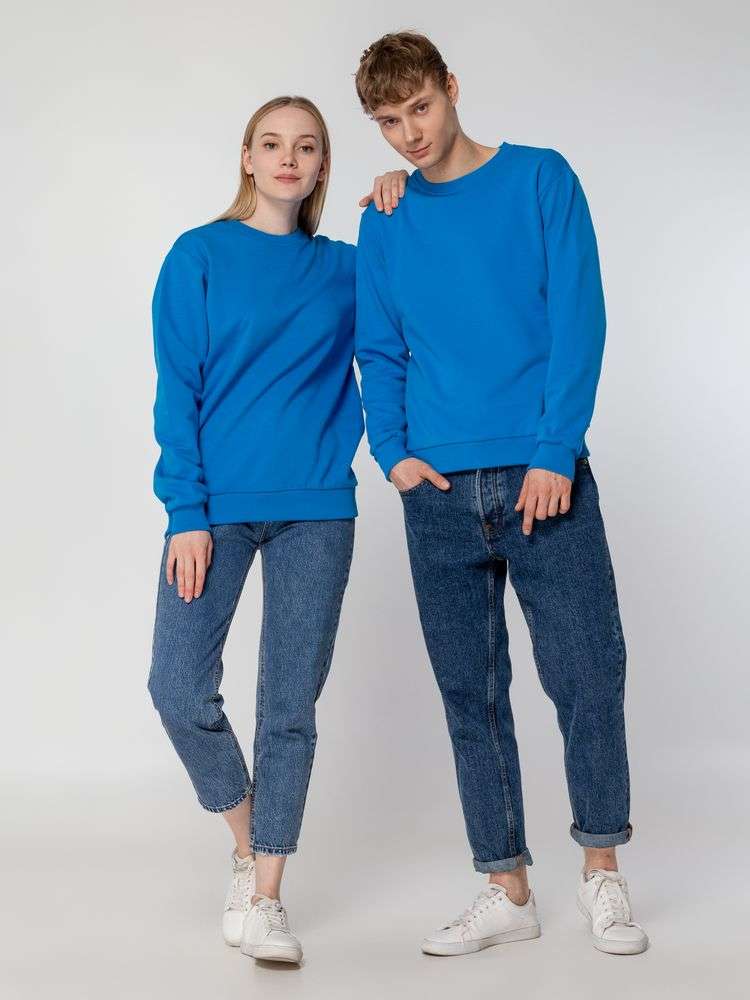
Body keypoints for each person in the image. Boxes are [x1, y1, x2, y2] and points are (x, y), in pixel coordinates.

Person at [353, 32, 648, 957]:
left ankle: (602, 871)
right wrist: (392, 453)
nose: (408, 134)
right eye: (389, 121)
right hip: (437, 490)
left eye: (420, 109)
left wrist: (556, 450)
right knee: (469, 695)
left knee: (587, 674)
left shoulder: (540, 179)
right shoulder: (386, 217)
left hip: (540, 476)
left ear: (451, 88)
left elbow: (578, 316)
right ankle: (506, 886)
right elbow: (379, 347)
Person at [147, 94, 405, 965]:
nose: (288, 158)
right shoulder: (199, 255)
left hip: (317, 511)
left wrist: (405, 194)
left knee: (288, 708)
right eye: (272, 143)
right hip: (214, 509)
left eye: (307, 146)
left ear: (323, 165)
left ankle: (266, 896)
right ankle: (246, 840)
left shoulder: (348, 267)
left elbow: (405, 324)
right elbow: (176, 390)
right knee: (177, 686)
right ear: (248, 158)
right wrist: (186, 512)